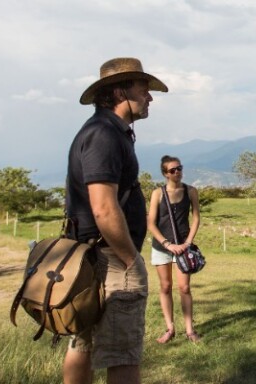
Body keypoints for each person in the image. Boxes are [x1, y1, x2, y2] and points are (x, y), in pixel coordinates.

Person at [63, 57, 167, 384]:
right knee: (123, 353)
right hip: (110, 259)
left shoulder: (108, 131)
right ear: (121, 91)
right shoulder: (104, 134)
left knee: (84, 342)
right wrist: (130, 260)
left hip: (94, 257)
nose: (149, 96)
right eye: (143, 88)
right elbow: (104, 208)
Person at [146, 155, 202, 344]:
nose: (177, 172)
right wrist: (167, 244)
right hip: (162, 247)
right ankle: (170, 328)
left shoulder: (191, 191)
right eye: (172, 170)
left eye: (179, 168)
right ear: (165, 174)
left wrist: (187, 243)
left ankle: (190, 330)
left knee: (184, 288)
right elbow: (151, 224)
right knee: (165, 286)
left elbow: (195, 218)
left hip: (183, 247)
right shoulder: (157, 194)